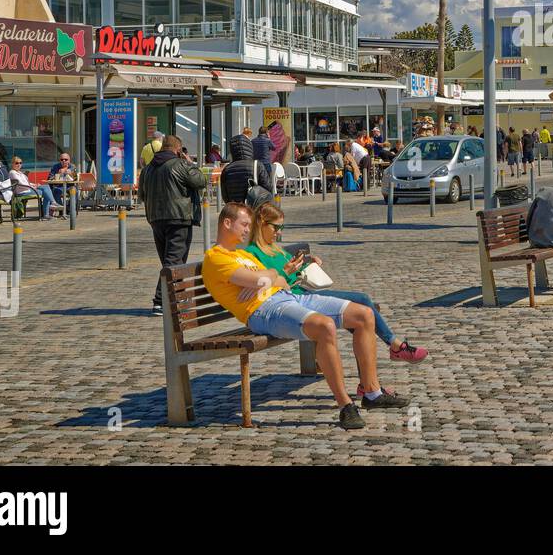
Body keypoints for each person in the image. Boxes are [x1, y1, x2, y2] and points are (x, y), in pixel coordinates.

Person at [203, 203, 408, 429]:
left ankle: (372, 393)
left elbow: (277, 279)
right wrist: (264, 278)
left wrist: (266, 277)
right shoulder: (215, 257)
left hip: (288, 297)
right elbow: (263, 280)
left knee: (365, 314)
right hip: (263, 311)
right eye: (244, 224)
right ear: (227, 223)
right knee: (324, 326)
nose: (247, 230)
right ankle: (346, 406)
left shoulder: (242, 255)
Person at [246, 201, 428, 369]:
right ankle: (394, 349)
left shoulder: (275, 249)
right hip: (292, 303)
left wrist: (308, 261)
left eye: (282, 227)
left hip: (305, 294)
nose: (279, 232)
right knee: (360, 309)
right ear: (262, 224)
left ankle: (391, 352)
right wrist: (286, 271)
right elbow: (264, 282)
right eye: (276, 227)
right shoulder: (252, 253)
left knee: (361, 304)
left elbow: (292, 267)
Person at [142, 134, 207, 315]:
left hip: (156, 218)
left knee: (170, 260)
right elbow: (200, 181)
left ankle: (176, 296)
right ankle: (160, 301)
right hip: (178, 217)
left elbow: (142, 194)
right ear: (178, 150)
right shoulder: (181, 165)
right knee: (173, 261)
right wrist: (190, 163)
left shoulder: (148, 169)